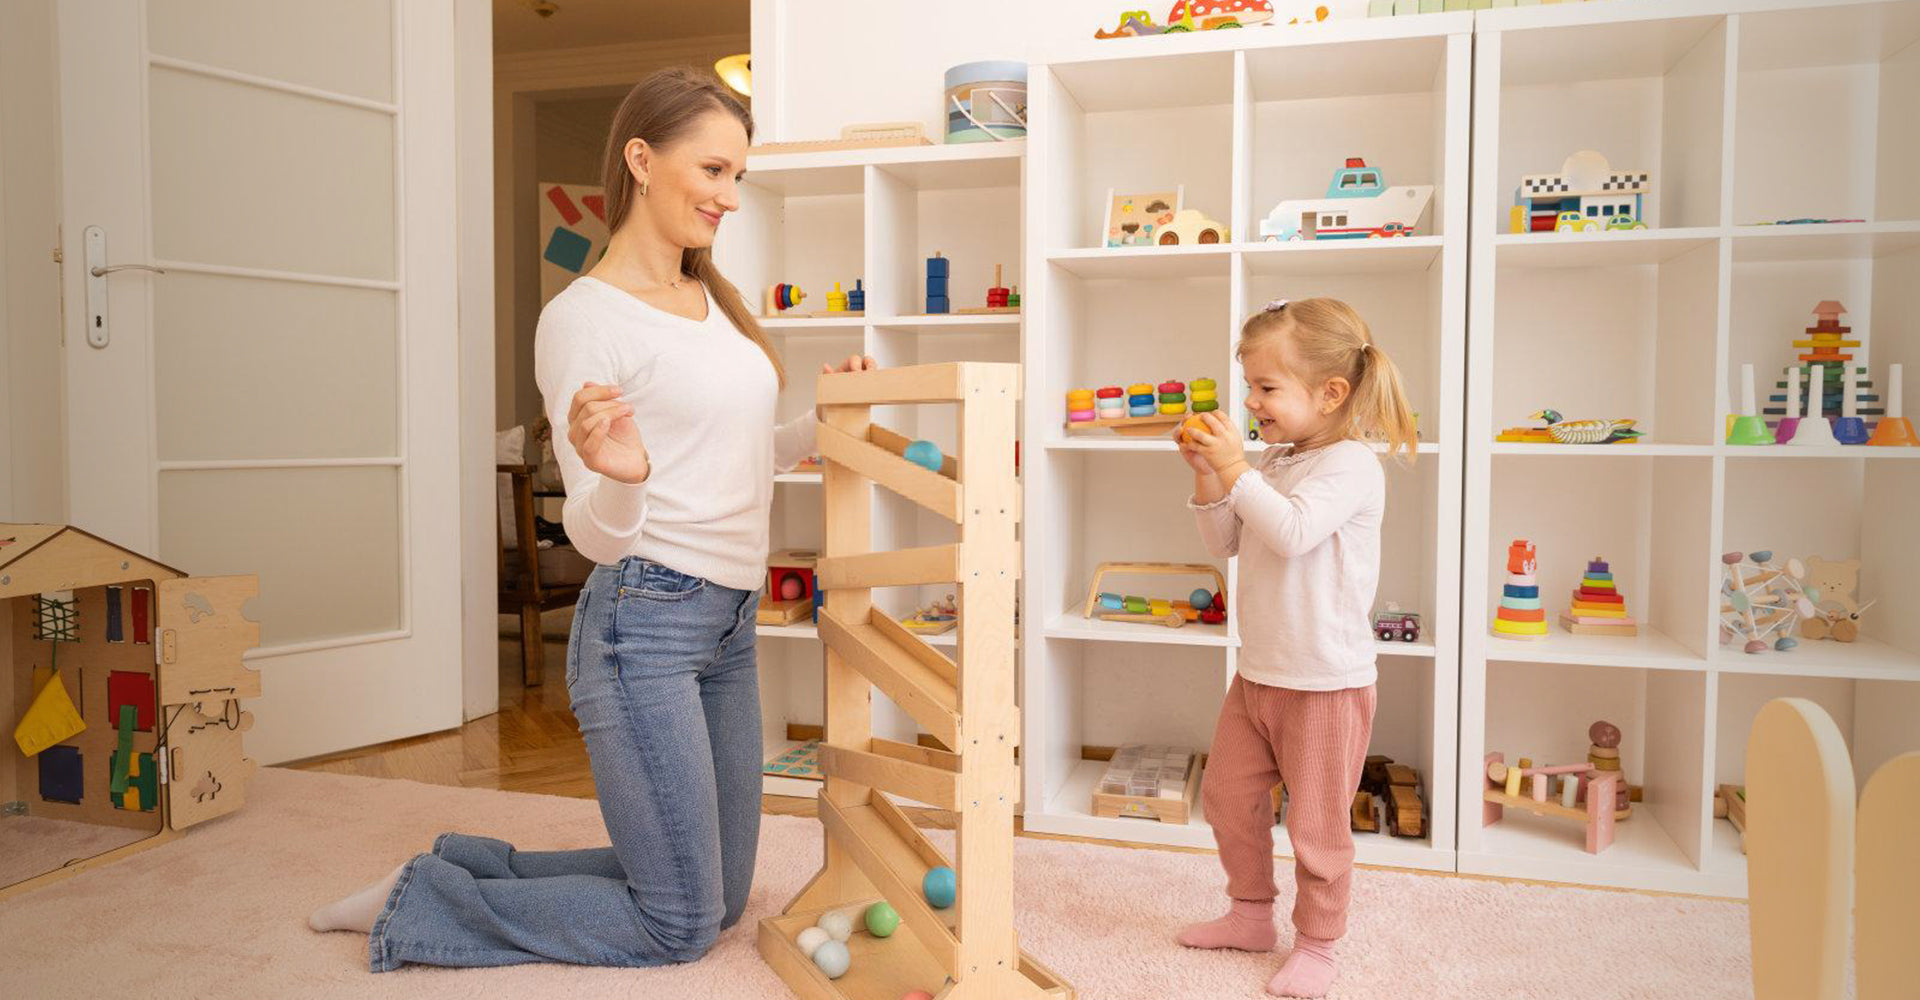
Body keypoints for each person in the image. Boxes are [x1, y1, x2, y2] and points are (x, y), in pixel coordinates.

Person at [307, 66, 875, 973]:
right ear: (642, 161)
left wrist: (827, 420)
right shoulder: (583, 320)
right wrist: (623, 477)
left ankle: (460, 866)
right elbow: (598, 535)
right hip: (639, 624)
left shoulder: (712, 301)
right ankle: (422, 905)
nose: (730, 197)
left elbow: (742, 455)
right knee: (680, 924)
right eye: (714, 172)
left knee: (720, 897)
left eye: (739, 176)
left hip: (727, 625)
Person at [1171, 297, 1417, 998]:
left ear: (1331, 392)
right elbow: (1228, 543)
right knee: (1225, 799)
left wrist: (1237, 468)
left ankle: (1318, 943)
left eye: (1266, 388)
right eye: (1249, 385)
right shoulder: (1276, 459)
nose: (1251, 401)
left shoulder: (1351, 466)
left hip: (1325, 683)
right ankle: (1251, 914)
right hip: (1259, 674)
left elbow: (1293, 533)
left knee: (1315, 825)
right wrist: (1207, 472)